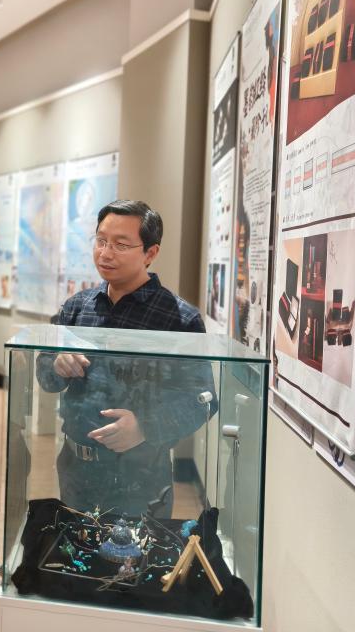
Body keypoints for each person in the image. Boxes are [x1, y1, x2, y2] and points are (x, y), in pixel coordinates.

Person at [37, 199, 216, 517]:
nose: (105, 253)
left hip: (140, 476)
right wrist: (56, 364)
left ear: (150, 253)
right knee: (76, 546)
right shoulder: (77, 307)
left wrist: (145, 426)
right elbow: (45, 377)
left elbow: (203, 399)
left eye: (120, 245)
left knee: (137, 550)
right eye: (101, 241)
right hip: (75, 468)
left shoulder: (179, 318)